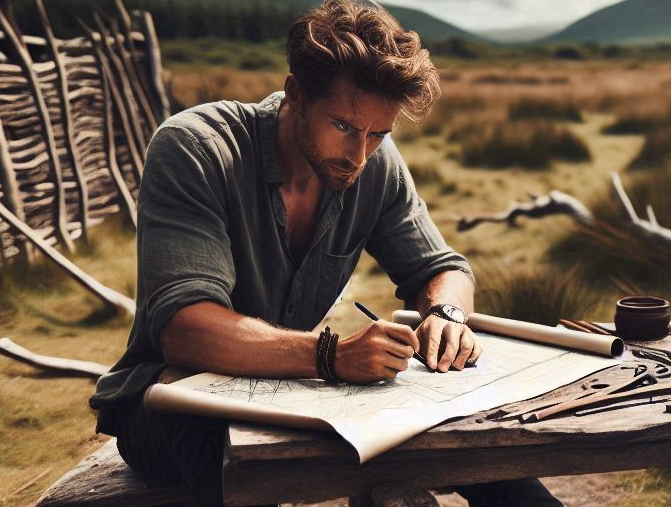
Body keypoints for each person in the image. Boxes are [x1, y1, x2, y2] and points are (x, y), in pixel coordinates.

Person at [87, 1, 562, 505]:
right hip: (172, 404)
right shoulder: (196, 148)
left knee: (485, 449)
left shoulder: (372, 163)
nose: (360, 154)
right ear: (295, 94)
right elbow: (185, 331)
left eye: (379, 134)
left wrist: (447, 314)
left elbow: (442, 267)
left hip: (297, 390)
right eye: (344, 127)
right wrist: (332, 356)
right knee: (244, 470)